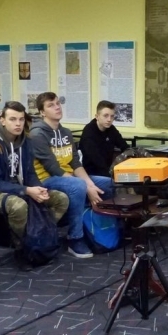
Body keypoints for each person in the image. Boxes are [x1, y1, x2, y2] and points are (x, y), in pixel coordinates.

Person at [0, 101, 68, 270]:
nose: (18, 124)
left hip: (22, 187)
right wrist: (26, 190)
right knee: (19, 206)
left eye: (21, 119)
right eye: (12, 119)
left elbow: (30, 173)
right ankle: (22, 248)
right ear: (3, 121)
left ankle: (40, 238)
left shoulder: (25, 141)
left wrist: (39, 189)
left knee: (60, 199)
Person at [29, 92, 114, 259]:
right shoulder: (37, 135)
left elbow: (75, 163)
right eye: (51, 105)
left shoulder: (66, 133)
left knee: (107, 183)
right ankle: (75, 238)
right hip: (45, 179)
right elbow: (53, 168)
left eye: (57, 103)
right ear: (42, 112)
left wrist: (90, 184)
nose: (57, 107)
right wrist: (86, 187)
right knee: (78, 186)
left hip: (68, 177)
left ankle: (97, 231)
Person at [80, 100, 129, 178]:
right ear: (97, 116)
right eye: (106, 116)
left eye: (112, 116)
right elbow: (96, 159)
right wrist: (112, 175)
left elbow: (124, 146)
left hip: (107, 171)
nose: (109, 119)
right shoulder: (89, 132)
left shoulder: (111, 129)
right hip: (91, 174)